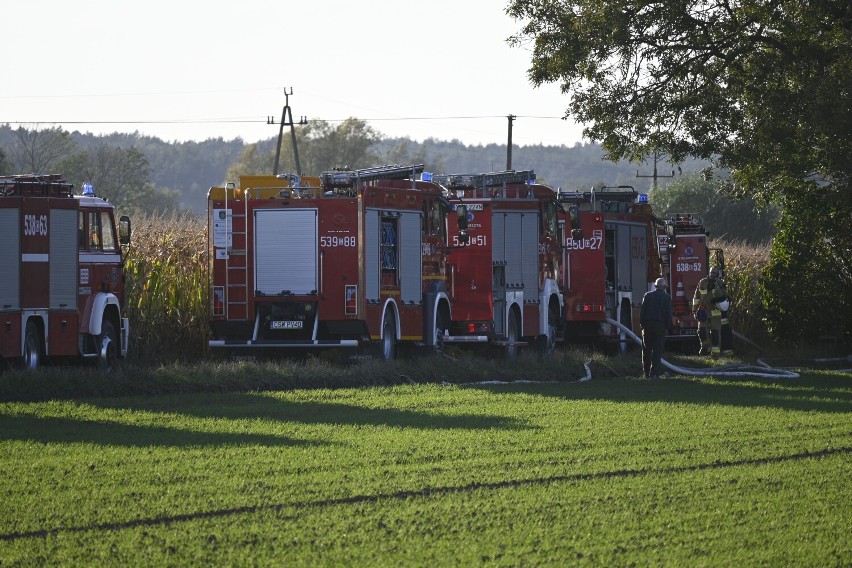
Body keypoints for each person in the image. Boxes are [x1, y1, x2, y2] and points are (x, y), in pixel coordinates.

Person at [692, 266, 732, 355]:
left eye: (715, 273)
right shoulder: (702, 282)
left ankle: (715, 354)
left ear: (718, 275)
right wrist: (694, 311)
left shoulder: (720, 283)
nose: (713, 275)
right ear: (709, 273)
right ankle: (705, 347)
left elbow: (723, 296)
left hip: (715, 312)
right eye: (712, 273)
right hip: (704, 311)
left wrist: (716, 286)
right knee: (702, 331)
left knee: (715, 334)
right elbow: (696, 298)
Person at [640, 277, 673, 378]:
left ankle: (646, 373)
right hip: (660, 327)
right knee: (657, 351)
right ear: (664, 287)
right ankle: (655, 373)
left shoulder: (647, 295)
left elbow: (642, 312)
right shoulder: (667, 298)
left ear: (655, 286)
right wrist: (667, 327)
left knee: (646, 350)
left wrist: (643, 325)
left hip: (647, 326)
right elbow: (668, 315)